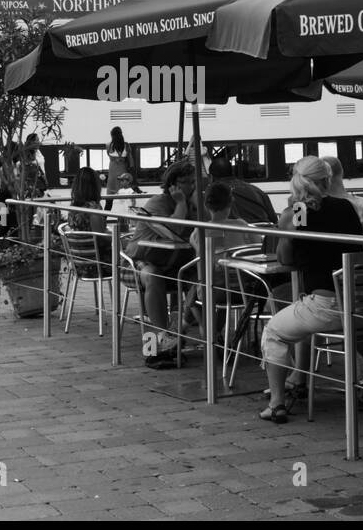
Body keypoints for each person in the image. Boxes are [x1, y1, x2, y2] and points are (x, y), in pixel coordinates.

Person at [258, 157, 363, 422]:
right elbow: (358, 254)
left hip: (323, 306)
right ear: (327, 181)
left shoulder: (299, 211)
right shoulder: (346, 207)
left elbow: (285, 259)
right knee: (362, 332)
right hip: (360, 303)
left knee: (273, 331)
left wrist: (285, 226)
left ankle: (277, 402)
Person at [124, 160, 197, 367]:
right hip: (142, 260)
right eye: (186, 182)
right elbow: (173, 231)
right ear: (172, 184)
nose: (191, 186)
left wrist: (194, 204)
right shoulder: (158, 203)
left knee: (204, 277)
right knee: (154, 277)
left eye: (194, 181)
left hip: (176, 262)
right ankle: (161, 337)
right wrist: (181, 203)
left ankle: (202, 332)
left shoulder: (194, 202)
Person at [322, 155, 363, 256]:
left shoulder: (301, 206)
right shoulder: (362, 204)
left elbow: (297, 235)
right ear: (342, 172)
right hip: (356, 263)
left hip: (321, 265)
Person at [208, 156, 277, 224]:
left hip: (236, 232)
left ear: (211, 177)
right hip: (266, 231)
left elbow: (208, 218)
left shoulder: (214, 193)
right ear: (232, 173)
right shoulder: (256, 190)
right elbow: (274, 219)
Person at [105, 127, 136, 211]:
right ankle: (126, 221)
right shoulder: (126, 145)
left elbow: (109, 155)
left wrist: (116, 159)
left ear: (112, 135)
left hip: (112, 174)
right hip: (123, 174)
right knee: (126, 200)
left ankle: (103, 220)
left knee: (109, 202)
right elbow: (131, 162)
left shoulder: (108, 145)